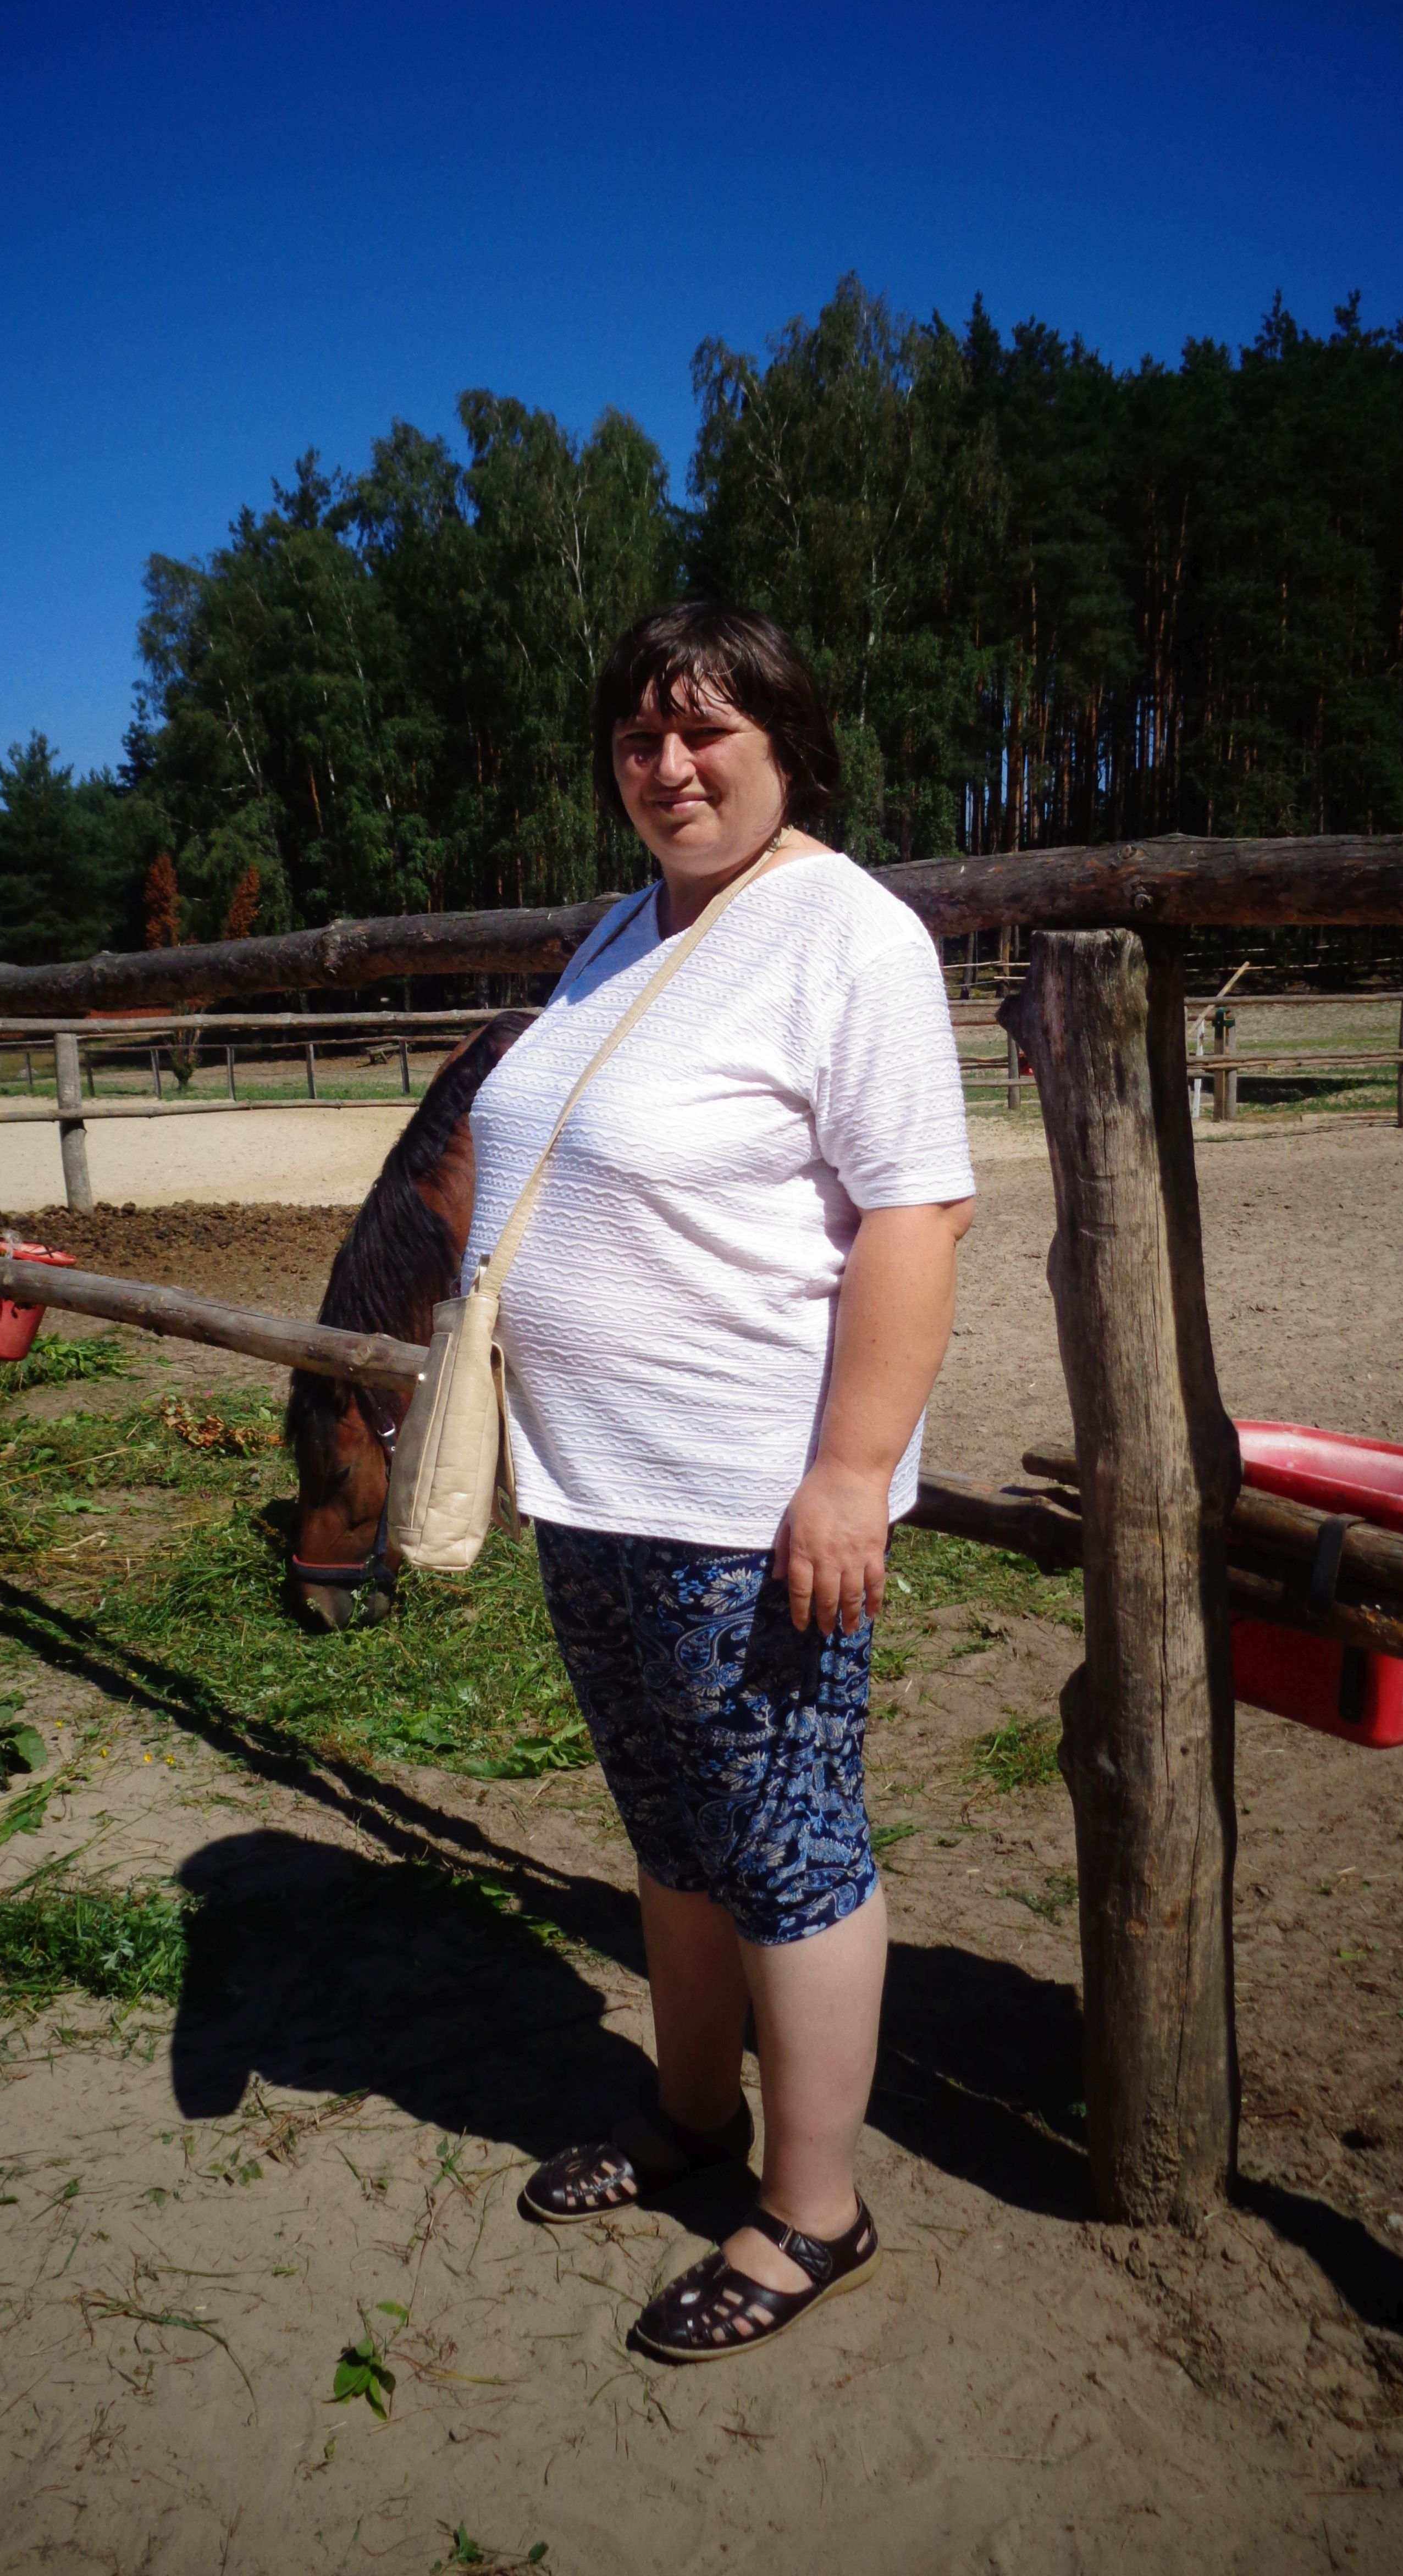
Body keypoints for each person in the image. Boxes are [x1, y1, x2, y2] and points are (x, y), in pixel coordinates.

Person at [463, 602, 975, 2362]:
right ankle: (690, 2113)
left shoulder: (849, 934)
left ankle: (814, 2207)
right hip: (598, 1486)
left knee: (784, 1841)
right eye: (639, 738)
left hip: (750, 1502)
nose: (668, 767)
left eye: (706, 734)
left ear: (785, 746)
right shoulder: (630, 927)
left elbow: (917, 1212)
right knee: (672, 1827)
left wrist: (849, 1475)